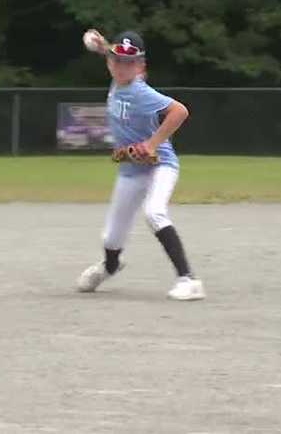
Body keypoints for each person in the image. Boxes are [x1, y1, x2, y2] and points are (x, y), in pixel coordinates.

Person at [75, 29, 205, 301]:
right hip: (131, 168)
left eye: (130, 63)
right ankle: (110, 266)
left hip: (160, 164)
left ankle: (189, 280)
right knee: (111, 237)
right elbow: (120, 53)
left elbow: (179, 111)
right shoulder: (119, 77)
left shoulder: (139, 91)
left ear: (140, 67)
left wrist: (154, 143)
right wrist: (102, 46)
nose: (122, 67)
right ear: (110, 63)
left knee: (155, 212)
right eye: (117, 61)